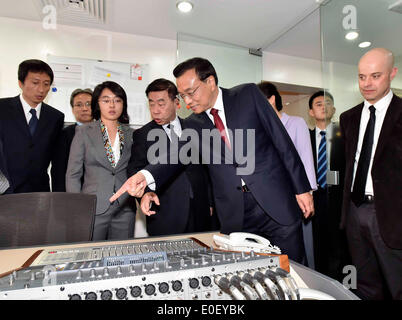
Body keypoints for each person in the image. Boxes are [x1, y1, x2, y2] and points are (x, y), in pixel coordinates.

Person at [111, 57, 314, 263]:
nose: (187, 102)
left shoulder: (247, 95)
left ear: (210, 82)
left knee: (291, 270)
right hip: (237, 213)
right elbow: (175, 156)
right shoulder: (194, 123)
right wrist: (145, 176)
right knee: (248, 277)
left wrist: (302, 188)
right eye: (183, 96)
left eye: (191, 93)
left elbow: (281, 141)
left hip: (275, 202)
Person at [339, 48, 402, 299]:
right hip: (355, 212)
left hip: (391, 216)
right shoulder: (348, 118)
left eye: (375, 76)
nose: (367, 83)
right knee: (365, 286)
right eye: (362, 76)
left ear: (392, 74)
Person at [127, 78, 217, 236]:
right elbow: (135, 170)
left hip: (200, 209)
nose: (155, 110)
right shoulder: (143, 135)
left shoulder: (194, 128)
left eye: (161, 104)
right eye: (151, 103)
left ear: (176, 102)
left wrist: (209, 200)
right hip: (166, 213)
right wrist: (146, 193)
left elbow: (207, 169)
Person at [66, 81, 136, 240]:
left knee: (121, 256)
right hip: (93, 207)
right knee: (91, 255)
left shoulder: (132, 134)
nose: (112, 105)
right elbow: (73, 174)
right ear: (97, 103)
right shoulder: (83, 132)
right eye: (106, 100)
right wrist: (78, 206)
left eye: (117, 100)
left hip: (125, 207)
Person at [258, 81, 317, 268]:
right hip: (270, 198)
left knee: (297, 251)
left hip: (296, 195)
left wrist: (308, 192)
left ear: (272, 100)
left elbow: (306, 157)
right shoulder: (260, 128)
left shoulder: (296, 123)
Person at [0, 59, 64, 193]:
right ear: (20, 83)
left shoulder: (55, 117)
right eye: (35, 83)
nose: (41, 89)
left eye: (46, 84)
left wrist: (59, 196)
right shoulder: (2, 109)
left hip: (39, 193)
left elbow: (58, 163)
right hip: (5, 191)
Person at [308, 91, 349, 280]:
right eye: (318, 104)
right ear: (310, 111)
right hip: (314, 199)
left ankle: (343, 284)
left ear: (333, 109)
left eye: (327, 103)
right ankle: (321, 282)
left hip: (339, 199)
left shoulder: (345, 135)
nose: (323, 106)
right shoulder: (305, 138)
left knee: (340, 245)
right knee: (318, 245)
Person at [52, 88, 93, 191]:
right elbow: (58, 171)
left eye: (89, 104)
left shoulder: (105, 133)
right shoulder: (64, 135)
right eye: (79, 105)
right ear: (72, 109)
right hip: (73, 194)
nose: (84, 108)